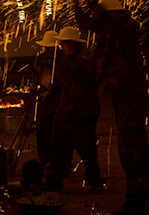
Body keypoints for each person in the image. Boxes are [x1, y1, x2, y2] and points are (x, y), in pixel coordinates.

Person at [72, 0, 149, 215]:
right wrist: (77, 2)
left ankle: (136, 200)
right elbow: (88, 24)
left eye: (99, 13)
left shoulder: (124, 25)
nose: (96, 18)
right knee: (138, 142)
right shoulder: (110, 29)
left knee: (128, 145)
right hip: (123, 92)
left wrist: (90, 0)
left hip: (129, 93)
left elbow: (105, 21)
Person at [43, 26, 104, 191]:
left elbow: (77, 75)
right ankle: (53, 180)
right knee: (57, 146)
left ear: (74, 44)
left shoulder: (85, 60)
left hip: (82, 112)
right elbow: (64, 82)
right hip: (66, 110)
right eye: (61, 44)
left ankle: (95, 180)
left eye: (65, 44)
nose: (62, 47)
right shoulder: (68, 59)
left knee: (86, 148)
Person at [33, 30, 61, 169]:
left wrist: (52, 91)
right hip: (45, 102)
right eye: (47, 47)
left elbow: (64, 81)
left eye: (51, 47)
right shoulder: (41, 59)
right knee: (42, 132)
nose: (48, 49)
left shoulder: (62, 59)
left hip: (59, 102)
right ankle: (44, 160)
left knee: (57, 134)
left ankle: (58, 162)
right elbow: (36, 75)